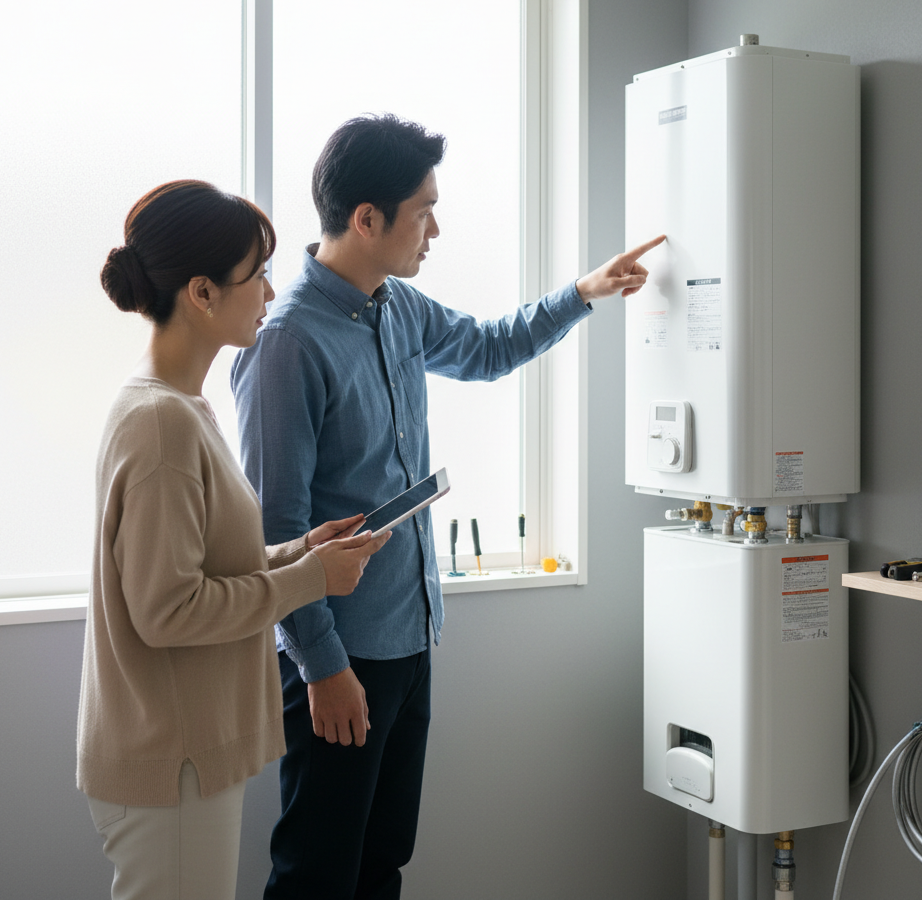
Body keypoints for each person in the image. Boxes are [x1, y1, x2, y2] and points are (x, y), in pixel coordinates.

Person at [231, 115, 665, 900]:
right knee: (315, 875)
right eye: (423, 210)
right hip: (338, 658)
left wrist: (584, 293)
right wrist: (325, 669)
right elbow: (275, 531)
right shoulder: (288, 342)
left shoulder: (396, 305)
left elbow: (488, 348)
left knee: (383, 862)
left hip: (409, 637)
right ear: (367, 219)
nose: (436, 228)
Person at [77, 179, 391, 900]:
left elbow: (204, 569)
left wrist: (301, 551)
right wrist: (311, 581)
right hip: (170, 759)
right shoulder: (162, 422)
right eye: (256, 276)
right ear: (202, 293)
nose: (272, 293)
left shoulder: (182, 406)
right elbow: (168, 610)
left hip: (177, 755)